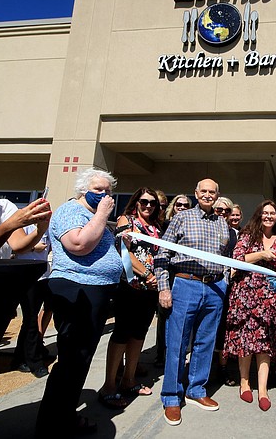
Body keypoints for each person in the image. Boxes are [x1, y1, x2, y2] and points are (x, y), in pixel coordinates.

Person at [35, 168, 123, 437]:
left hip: (94, 291)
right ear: (82, 190)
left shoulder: (91, 215)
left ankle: (63, 415)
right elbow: (78, 244)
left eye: (108, 191)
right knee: (73, 359)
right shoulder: (72, 211)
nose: (105, 195)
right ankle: (54, 423)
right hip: (78, 289)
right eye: (98, 190)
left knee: (79, 359)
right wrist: (102, 215)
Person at [154, 178, 230, 426]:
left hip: (214, 287)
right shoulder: (182, 217)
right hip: (186, 284)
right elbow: (162, 254)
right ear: (196, 193)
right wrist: (164, 288)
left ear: (217, 195)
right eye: (204, 191)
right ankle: (171, 397)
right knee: (177, 343)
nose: (208, 195)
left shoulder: (222, 223)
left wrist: (224, 281)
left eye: (212, 192)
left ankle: (196, 389)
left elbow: (225, 256)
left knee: (205, 342)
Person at [98, 187, 162, 409]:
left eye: (152, 203)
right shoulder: (127, 220)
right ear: (136, 202)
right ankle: (109, 385)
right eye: (144, 202)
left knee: (139, 334)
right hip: (130, 286)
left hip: (150, 291)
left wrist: (156, 279)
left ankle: (129, 379)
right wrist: (146, 273)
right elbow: (123, 250)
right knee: (122, 333)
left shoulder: (156, 227)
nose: (148, 206)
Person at [223, 200, 276, 412]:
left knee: (265, 344)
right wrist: (261, 254)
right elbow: (237, 259)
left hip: (270, 299)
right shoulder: (247, 235)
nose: (268, 216)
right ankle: (244, 383)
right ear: (259, 215)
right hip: (246, 297)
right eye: (265, 213)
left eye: (272, 213)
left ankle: (262, 389)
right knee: (246, 343)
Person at [156, 193, 193, 366]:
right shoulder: (164, 225)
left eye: (186, 206)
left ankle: (180, 353)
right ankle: (160, 354)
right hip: (164, 274)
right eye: (179, 205)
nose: (182, 208)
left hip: (181, 275)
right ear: (173, 206)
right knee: (163, 317)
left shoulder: (190, 226)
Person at [13, 225, 53, 378]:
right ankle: (33, 362)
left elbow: (49, 247)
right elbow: (16, 247)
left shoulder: (47, 228)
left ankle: (22, 355)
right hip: (26, 276)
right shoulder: (24, 225)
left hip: (42, 276)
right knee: (30, 320)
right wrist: (33, 247)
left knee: (33, 318)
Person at [212, 196, 239, 386]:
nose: (222, 214)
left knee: (222, 328)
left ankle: (222, 368)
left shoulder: (235, 234)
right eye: (218, 210)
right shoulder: (205, 228)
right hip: (207, 284)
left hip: (228, 285)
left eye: (226, 211)